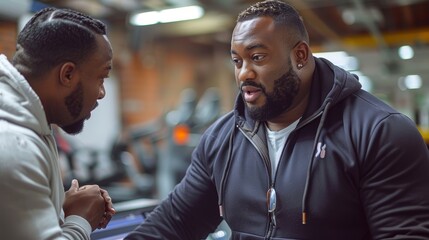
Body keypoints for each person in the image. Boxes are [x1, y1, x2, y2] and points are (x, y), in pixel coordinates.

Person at [125, 0, 429, 239]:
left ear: (299, 56)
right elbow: (176, 223)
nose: (244, 73)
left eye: (257, 58)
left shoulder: (378, 131)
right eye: (237, 61)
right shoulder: (222, 139)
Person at [0, 7, 116, 239]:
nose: (102, 93)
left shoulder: (32, 122)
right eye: (101, 77)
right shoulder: (14, 146)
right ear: (68, 75)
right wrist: (80, 220)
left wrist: (57, 207)